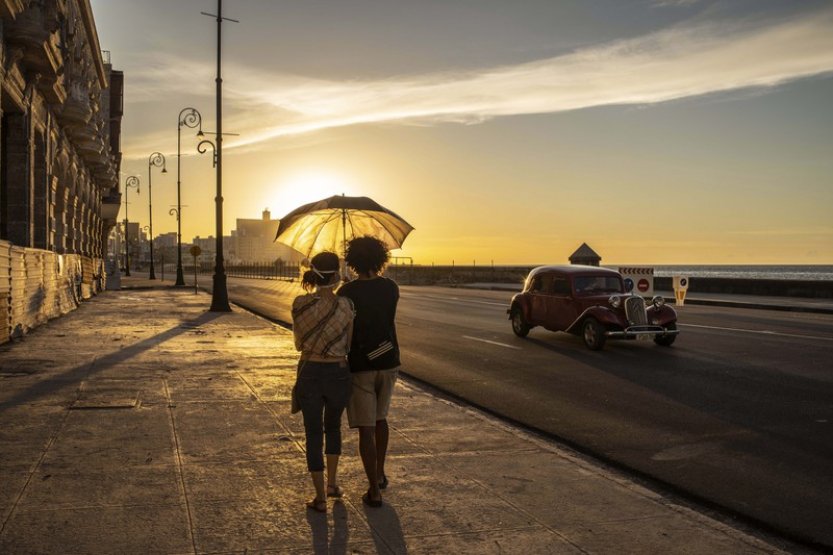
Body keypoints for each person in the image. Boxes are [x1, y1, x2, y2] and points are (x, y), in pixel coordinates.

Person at [337, 236, 400, 508]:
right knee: (380, 419)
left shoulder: (346, 293)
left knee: (365, 427)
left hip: (361, 364)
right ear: (380, 258)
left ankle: (373, 489)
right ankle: (381, 472)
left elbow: (344, 329)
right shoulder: (391, 287)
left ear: (352, 261)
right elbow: (386, 319)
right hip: (388, 359)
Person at [291, 251, 355, 513]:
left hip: (309, 371)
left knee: (313, 433)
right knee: (334, 428)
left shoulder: (299, 303)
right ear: (337, 275)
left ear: (314, 274)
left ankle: (319, 498)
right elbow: (348, 345)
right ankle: (332, 484)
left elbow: (297, 343)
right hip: (338, 372)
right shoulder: (347, 305)